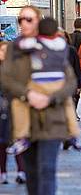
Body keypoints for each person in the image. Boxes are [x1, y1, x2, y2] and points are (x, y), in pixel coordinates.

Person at [1, 6, 76, 195]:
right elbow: (6, 78)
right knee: (32, 173)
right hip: (24, 120)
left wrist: (50, 97)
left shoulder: (55, 47)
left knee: (47, 169)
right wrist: (28, 94)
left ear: (38, 21)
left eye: (29, 19)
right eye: (21, 20)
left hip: (53, 118)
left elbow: (70, 81)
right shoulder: (15, 48)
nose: (23, 24)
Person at [0, 41, 26, 184]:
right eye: (2, 50)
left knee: (18, 139)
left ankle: (21, 171)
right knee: (2, 142)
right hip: (1, 110)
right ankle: (3, 173)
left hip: (15, 107)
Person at [59, 30, 81, 151]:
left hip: (70, 85)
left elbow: (77, 67)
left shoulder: (72, 50)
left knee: (70, 110)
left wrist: (79, 85)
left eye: (63, 37)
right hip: (57, 87)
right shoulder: (53, 51)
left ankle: (68, 136)